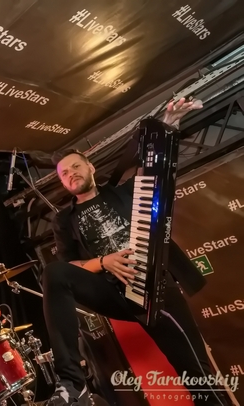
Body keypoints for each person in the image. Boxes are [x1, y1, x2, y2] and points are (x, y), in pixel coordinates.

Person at [43, 98, 231, 406]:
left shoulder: (127, 192)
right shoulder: (64, 220)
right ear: (63, 183)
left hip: (155, 286)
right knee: (54, 273)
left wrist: (169, 123)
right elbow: (71, 266)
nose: (71, 173)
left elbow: (156, 168)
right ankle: (71, 382)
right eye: (64, 173)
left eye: (76, 166)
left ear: (90, 167)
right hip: (113, 293)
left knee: (194, 370)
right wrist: (103, 262)